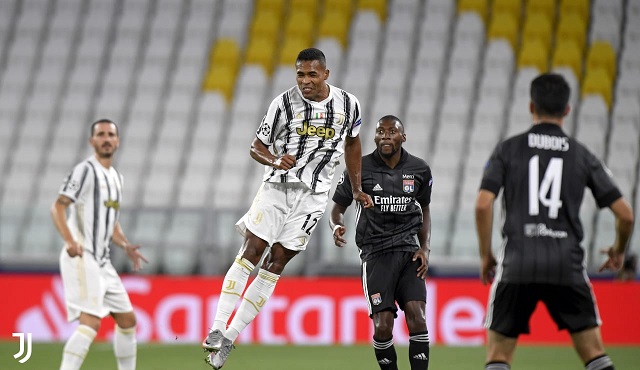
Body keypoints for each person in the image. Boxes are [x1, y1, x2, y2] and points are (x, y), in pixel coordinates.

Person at [202, 47, 373, 369]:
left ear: (325, 74)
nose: (305, 81)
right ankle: (216, 327)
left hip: (314, 196)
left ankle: (229, 339)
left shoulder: (349, 105)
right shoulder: (283, 104)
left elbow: (353, 143)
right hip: (277, 188)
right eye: (299, 74)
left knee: (277, 262)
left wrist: (356, 187)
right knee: (252, 249)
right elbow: (257, 146)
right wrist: (274, 159)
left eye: (311, 74)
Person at [475, 73, 634, 370]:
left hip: (518, 263)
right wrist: (618, 249)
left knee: (498, 357)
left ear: (531, 106)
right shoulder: (582, 155)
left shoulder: (507, 149)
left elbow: (484, 205)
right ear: (567, 110)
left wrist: (486, 255)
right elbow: (626, 214)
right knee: (595, 353)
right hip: (567, 264)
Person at [330, 115, 433, 370]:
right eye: (380, 132)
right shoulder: (358, 169)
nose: (385, 136)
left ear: (403, 137)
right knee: (383, 326)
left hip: (409, 253)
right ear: (374, 137)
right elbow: (337, 208)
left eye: (392, 131)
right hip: (376, 254)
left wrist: (425, 248)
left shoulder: (419, 169)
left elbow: (426, 209)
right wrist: (336, 225)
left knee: (418, 319)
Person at [51, 119, 148, 370]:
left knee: (127, 320)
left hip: (103, 261)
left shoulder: (116, 178)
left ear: (117, 141)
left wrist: (125, 245)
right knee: (91, 323)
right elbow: (58, 206)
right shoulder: (85, 170)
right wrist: (70, 241)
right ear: (92, 141)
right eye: (101, 134)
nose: (106, 139)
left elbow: (111, 221)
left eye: (110, 135)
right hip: (82, 256)